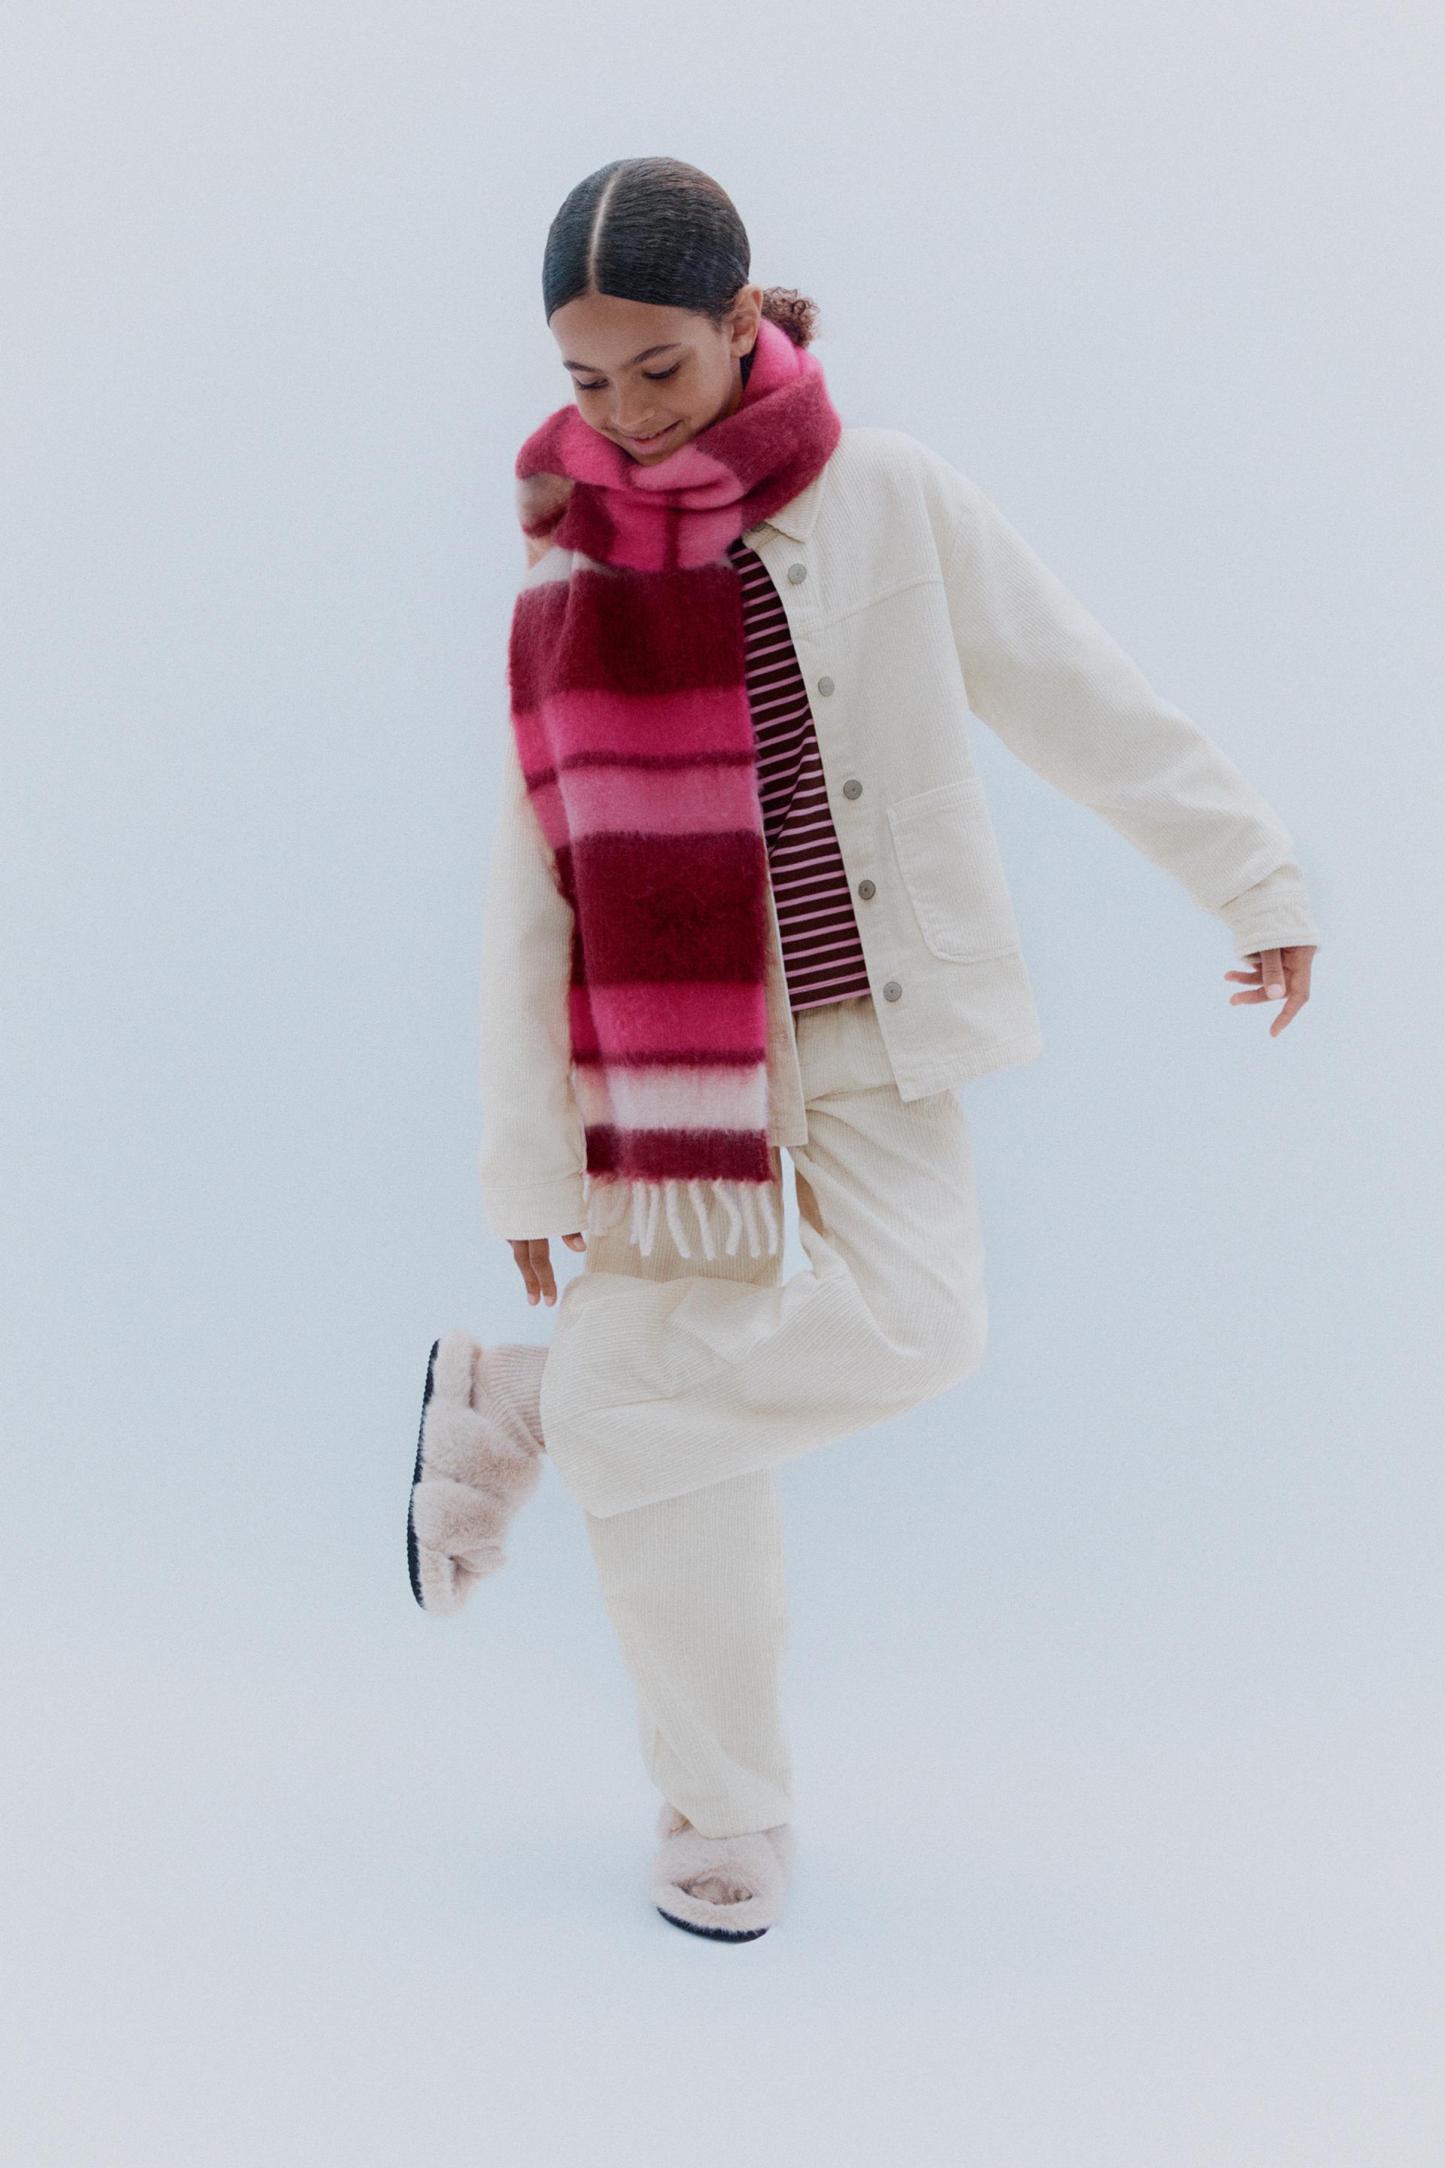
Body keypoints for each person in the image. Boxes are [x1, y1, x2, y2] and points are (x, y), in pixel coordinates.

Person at [405, 155, 1321, 1944]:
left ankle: (529, 1402)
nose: (626, 413)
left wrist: (1247, 870)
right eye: (587, 378)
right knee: (690, 1466)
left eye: (659, 366)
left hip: (875, 1026)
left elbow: (1071, 687)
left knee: (921, 1325)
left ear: (743, 320)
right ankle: (721, 1808)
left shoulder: (887, 492)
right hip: (665, 1069)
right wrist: (525, 1156)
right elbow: (536, 883)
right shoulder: (564, 564)